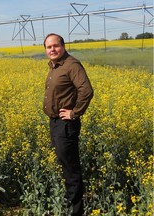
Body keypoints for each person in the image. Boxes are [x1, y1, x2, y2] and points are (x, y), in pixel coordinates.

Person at [43, 33, 93, 216]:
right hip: (56, 123)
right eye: (49, 47)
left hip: (66, 124)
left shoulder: (71, 65)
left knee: (71, 168)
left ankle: (77, 211)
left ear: (63, 46)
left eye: (55, 46)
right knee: (65, 164)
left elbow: (86, 90)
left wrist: (74, 112)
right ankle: (70, 204)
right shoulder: (55, 66)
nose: (52, 50)